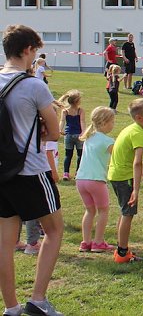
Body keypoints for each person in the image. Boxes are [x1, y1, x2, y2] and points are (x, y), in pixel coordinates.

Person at [0, 25, 64, 316]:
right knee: (53, 230)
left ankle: (11, 307)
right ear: (27, 50)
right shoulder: (34, 85)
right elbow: (54, 132)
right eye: (35, 51)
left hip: (2, 172)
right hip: (31, 171)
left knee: (5, 242)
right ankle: (38, 300)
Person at [107, 98, 143, 263]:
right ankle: (122, 253)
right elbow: (137, 161)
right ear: (139, 118)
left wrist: (140, 171)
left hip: (116, 175)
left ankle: (122, 247)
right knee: (128, 214)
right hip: (124, 178)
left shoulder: (131, 129)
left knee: (124, 212)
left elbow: (121, 151)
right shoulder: (138, 133)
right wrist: (135, 189)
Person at [75, 107, 115, 254]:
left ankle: (86, 242)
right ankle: (98, 242)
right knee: (103, 210)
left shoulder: (89, 137)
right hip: (96, 180)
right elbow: (118, 157)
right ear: (104, 123)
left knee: (89, 210)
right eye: (112, 121)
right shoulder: (108, 141)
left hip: (81, 179)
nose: (113, 124)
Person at [58, 90, 85, 181]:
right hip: (78, 135)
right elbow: (82, 121)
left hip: (68, 134)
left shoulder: (65, 111)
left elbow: (62, 121)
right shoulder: (80, 110)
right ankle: (78, 172)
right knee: (80, 154)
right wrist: (83, 132)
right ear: (77, 101)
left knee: (68, 155)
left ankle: (66, 173)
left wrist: (60, 130)